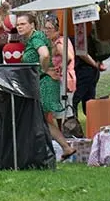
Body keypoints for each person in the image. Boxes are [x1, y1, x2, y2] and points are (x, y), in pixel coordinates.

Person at [16, 12, 75, 160]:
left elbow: (45, 55)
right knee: (43, 119)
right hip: (42, 81)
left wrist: (43, 70)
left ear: (32, 25)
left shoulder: (36, 38)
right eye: (17, 24)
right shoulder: (34, 39)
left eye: (22, 24)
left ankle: (42, 150)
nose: (19, 27)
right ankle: (64, 148)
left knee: (38, 118)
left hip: (44, 83)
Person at [74, 24, 105, 117]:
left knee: (74, 101)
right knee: (89, 104)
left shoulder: (80, 28)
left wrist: (94, 64)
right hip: (92, 70)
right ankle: (95, 127)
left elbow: (81, 52)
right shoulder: (93, 27)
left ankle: (73, 129)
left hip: (85, 69)